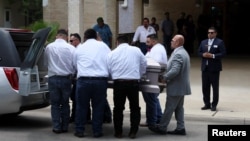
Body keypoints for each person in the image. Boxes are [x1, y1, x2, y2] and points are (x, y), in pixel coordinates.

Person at [149, 34, 191, 135]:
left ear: (177, 42)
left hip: (176, 87)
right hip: (181, 87)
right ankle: (181, 128)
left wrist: (164, 77)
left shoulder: (178, 54)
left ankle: (162, 127)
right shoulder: (182, 52)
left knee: (169, 108)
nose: (171, 42)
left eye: (172, 40)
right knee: (179, 108)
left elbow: (175, 70)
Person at [107, 35, 147, 139]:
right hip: (133, 82)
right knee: (134, 107)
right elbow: (144, 63)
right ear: (128, 42)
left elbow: (109, 68)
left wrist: (114, 76)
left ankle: (118, 132)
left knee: (118, 108)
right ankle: (133, 131)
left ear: (117, 42)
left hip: (119, 83)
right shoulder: (136, 50)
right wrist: (140, 74)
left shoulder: (112, 53)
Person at [73, 29, 111, 138]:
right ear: (96, 36)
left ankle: (79, 130)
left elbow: (75, 64)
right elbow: (109, 61)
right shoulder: (103, 46)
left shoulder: (80, 48)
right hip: (100, 81)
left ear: (84, 37)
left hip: (83, 80)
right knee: (98, 106)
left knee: (81, 106)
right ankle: (97, 131)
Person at [44, 29, 76, 134]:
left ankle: (57, 127)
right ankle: (65, 126)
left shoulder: (49, 47)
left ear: (57, 36)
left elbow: (45, 63)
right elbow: (75, 65)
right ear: (66, 37)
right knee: (65, 103)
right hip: (66, 79)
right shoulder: (71, 48)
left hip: (53, 78)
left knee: (55, 104)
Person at [140, 34, 167, 128]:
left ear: (154, 41)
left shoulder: (157, 49)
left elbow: (154, 63)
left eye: (148, 42)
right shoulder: (154, 49)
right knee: (153, 99)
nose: (146, 44)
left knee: (151, 99)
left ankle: (152, 121)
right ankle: (158, 118)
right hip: (153, 78)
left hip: (153, 78)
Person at [198, 26, 226, 111]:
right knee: (205, 87)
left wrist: (213, 55)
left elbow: (223, 53)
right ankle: (207, 104)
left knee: (214, 87)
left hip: (214, 69)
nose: (210, 34)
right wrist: (203, 55)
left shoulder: (220, 42)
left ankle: (214, 104)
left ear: (215, 33)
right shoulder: (203, 42)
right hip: (205, 68)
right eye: (208, 32)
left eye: (212, 32)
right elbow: (198, 52)